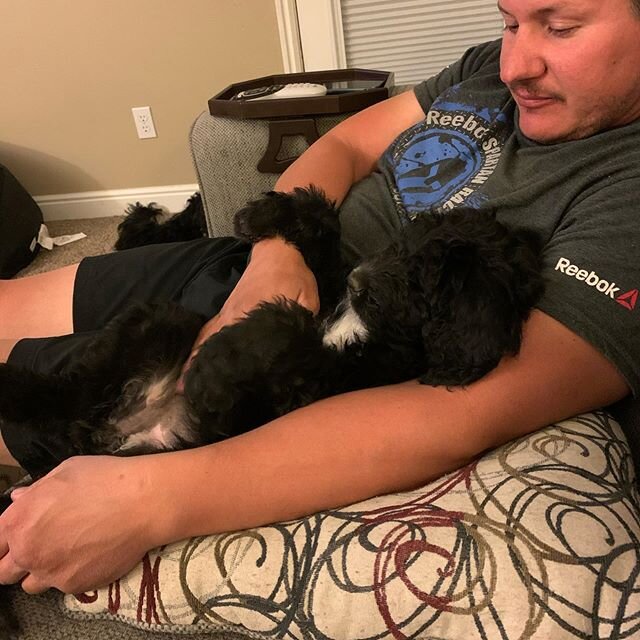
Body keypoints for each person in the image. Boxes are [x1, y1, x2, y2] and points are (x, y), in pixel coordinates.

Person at [0, 0, 638, 596]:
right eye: (510, 21)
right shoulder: (481, 69)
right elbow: (346, 144)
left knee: (21, 411)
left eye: (560, 27)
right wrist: (275, 256)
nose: (515, 65)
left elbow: (464, 412)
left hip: (308, 358)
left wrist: (146, 500)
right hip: (266, 264)